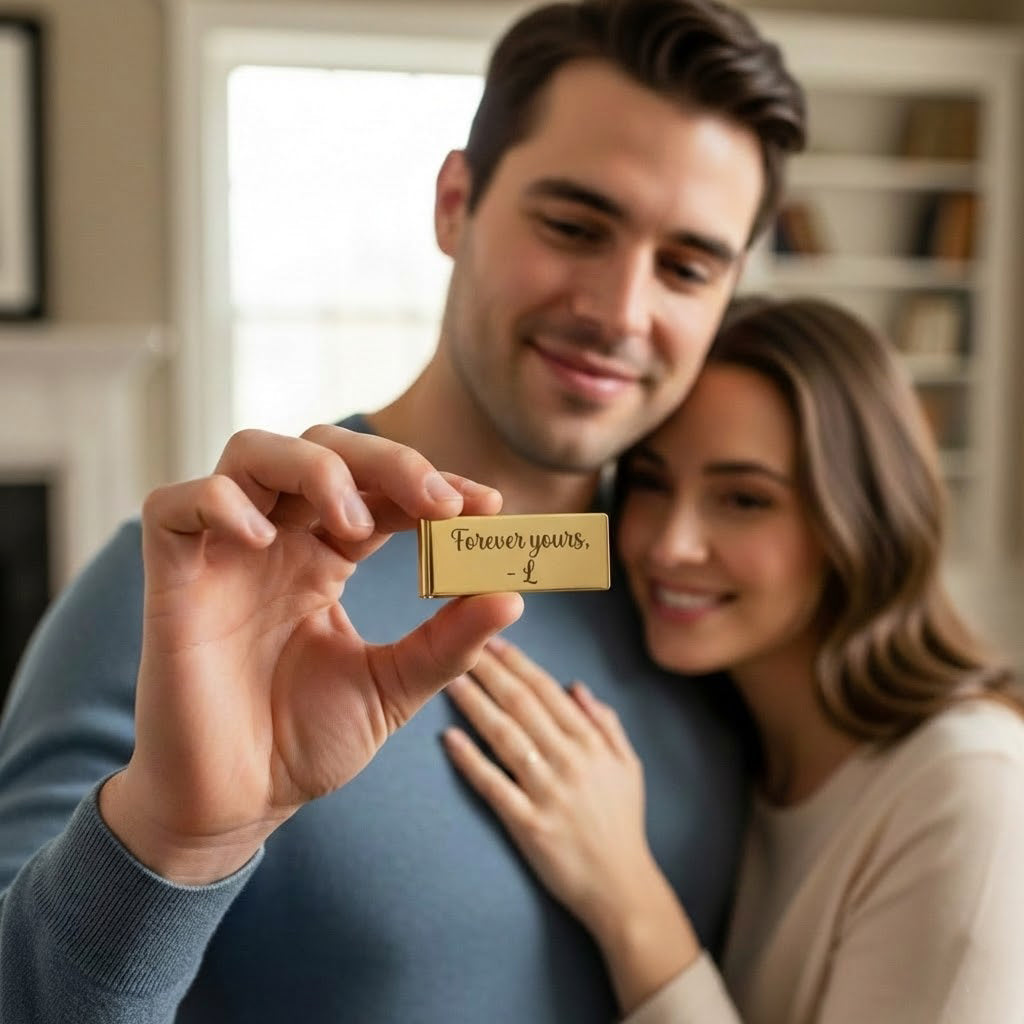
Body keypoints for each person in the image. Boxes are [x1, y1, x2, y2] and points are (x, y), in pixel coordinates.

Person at [0, 2, 807, 1022]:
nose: (619, 311)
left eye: (686, 266)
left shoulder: (700, 610)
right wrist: (173, 841)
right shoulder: (193, 603)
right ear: (455, 203)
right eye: (572, 226)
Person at [441, 296, 1024, 1024]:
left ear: (861, 521)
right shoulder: (726, 733)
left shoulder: (971, 789)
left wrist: (629, 901)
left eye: (745, 500)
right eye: (651, 482)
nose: (669, 546)